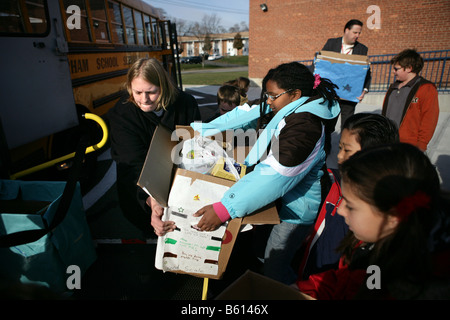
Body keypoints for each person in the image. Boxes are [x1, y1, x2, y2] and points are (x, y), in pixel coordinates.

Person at [177, 62, 341, 284]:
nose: (269, 101)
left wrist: (225, 208)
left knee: (276, 265)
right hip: (273, 202)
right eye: (267, 95)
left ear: (295, 94)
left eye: (273, 96)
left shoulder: (306, 127)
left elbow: (273, 175)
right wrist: (200, 131)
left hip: (294, 213)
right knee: (260, 253)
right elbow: (245, 113)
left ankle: (289, 291)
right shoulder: (289, 107)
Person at [296, 143, 450, 299]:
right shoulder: (375, 247)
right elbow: (354, 281)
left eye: (350, 205)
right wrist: (307, 290)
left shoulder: (420, 288)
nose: (341, 210)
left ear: (392, 218)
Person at [107, 58, 201, 238]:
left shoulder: (186, 103)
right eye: (138, 92)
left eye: (151, 92)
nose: (144, 99)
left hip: (183, 184)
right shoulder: (122, 114)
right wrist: (150, 200)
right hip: (141, 194)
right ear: (129, 88)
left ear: (164, 87)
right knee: (154, 237)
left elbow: (196, 146)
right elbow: (131, 164)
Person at [298, 113, 399, 280]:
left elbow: (369, 284)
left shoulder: (380, 245)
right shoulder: (335, 181)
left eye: (347, 150)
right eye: (339, 148)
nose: (339, 156)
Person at [382, 49, 440, 152]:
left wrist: (421, 145)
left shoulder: (426, 88)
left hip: (409, 147)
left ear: (409, 68)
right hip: (387, 143)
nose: (393, 72)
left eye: (396, 69)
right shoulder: (393, 87)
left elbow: (429, 119)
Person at [321, 19, 371, 130]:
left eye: (359, 33)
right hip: (331, 94)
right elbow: (322, 65)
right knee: (327, 126)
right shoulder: (331, 43)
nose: (357, 35)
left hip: (349, 96)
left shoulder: (362, 49)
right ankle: (326, 147)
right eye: (355, 32)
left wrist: (365, 90)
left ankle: (343, 147)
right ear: (346, 30)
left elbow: (366, 71)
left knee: (347, 127)